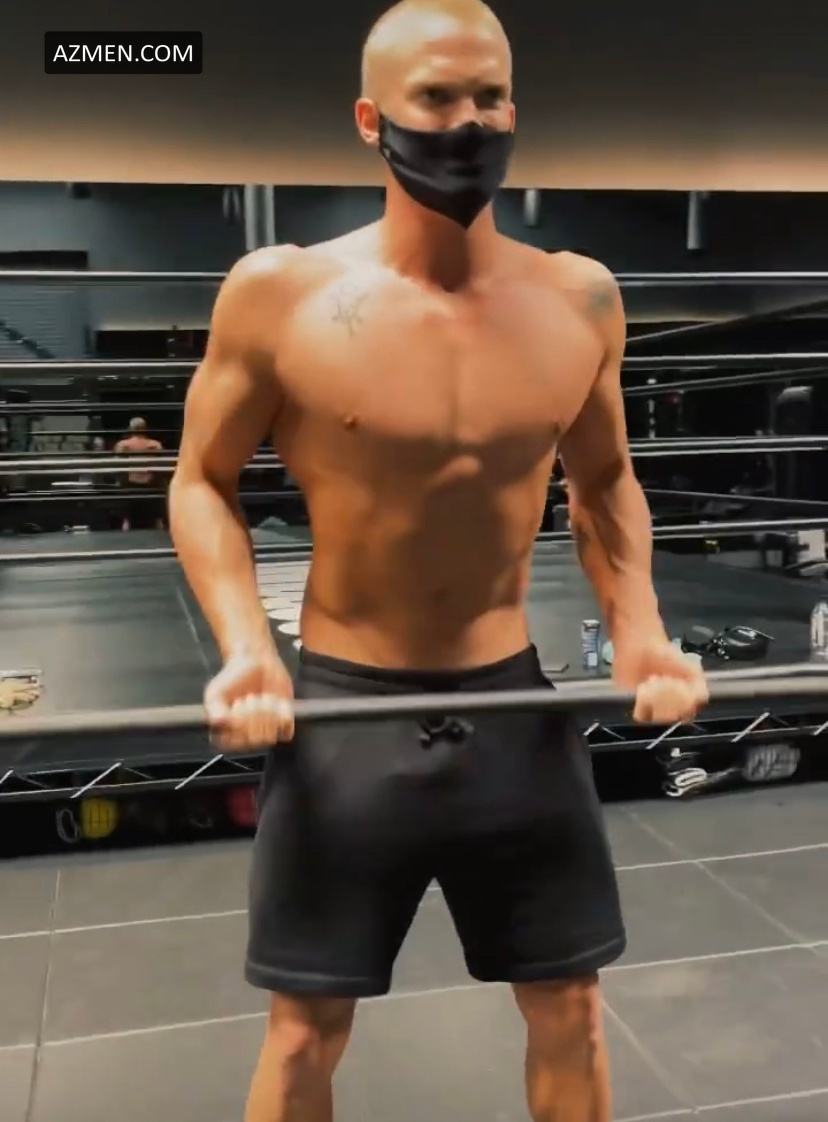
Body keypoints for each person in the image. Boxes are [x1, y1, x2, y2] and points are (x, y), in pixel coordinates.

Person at [169, 2, 709, 1120]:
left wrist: (643, 630)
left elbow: (604, 482)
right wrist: (245, 650)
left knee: (573, 1012)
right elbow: (200, 482)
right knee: (305, 1035)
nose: (469, 121)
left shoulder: (580, 295)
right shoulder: (280, 292)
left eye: (490, 96)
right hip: (345, 713)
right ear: (371, 119)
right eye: (437, 97)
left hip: (513, 703)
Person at [114, 417, 165, 530]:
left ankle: (127, 526)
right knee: (156, 516)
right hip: (147, 483)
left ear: (131, 429)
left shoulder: (123, 445)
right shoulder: (155, 445)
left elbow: (116, 464)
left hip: (134, 483)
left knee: (127, 517)